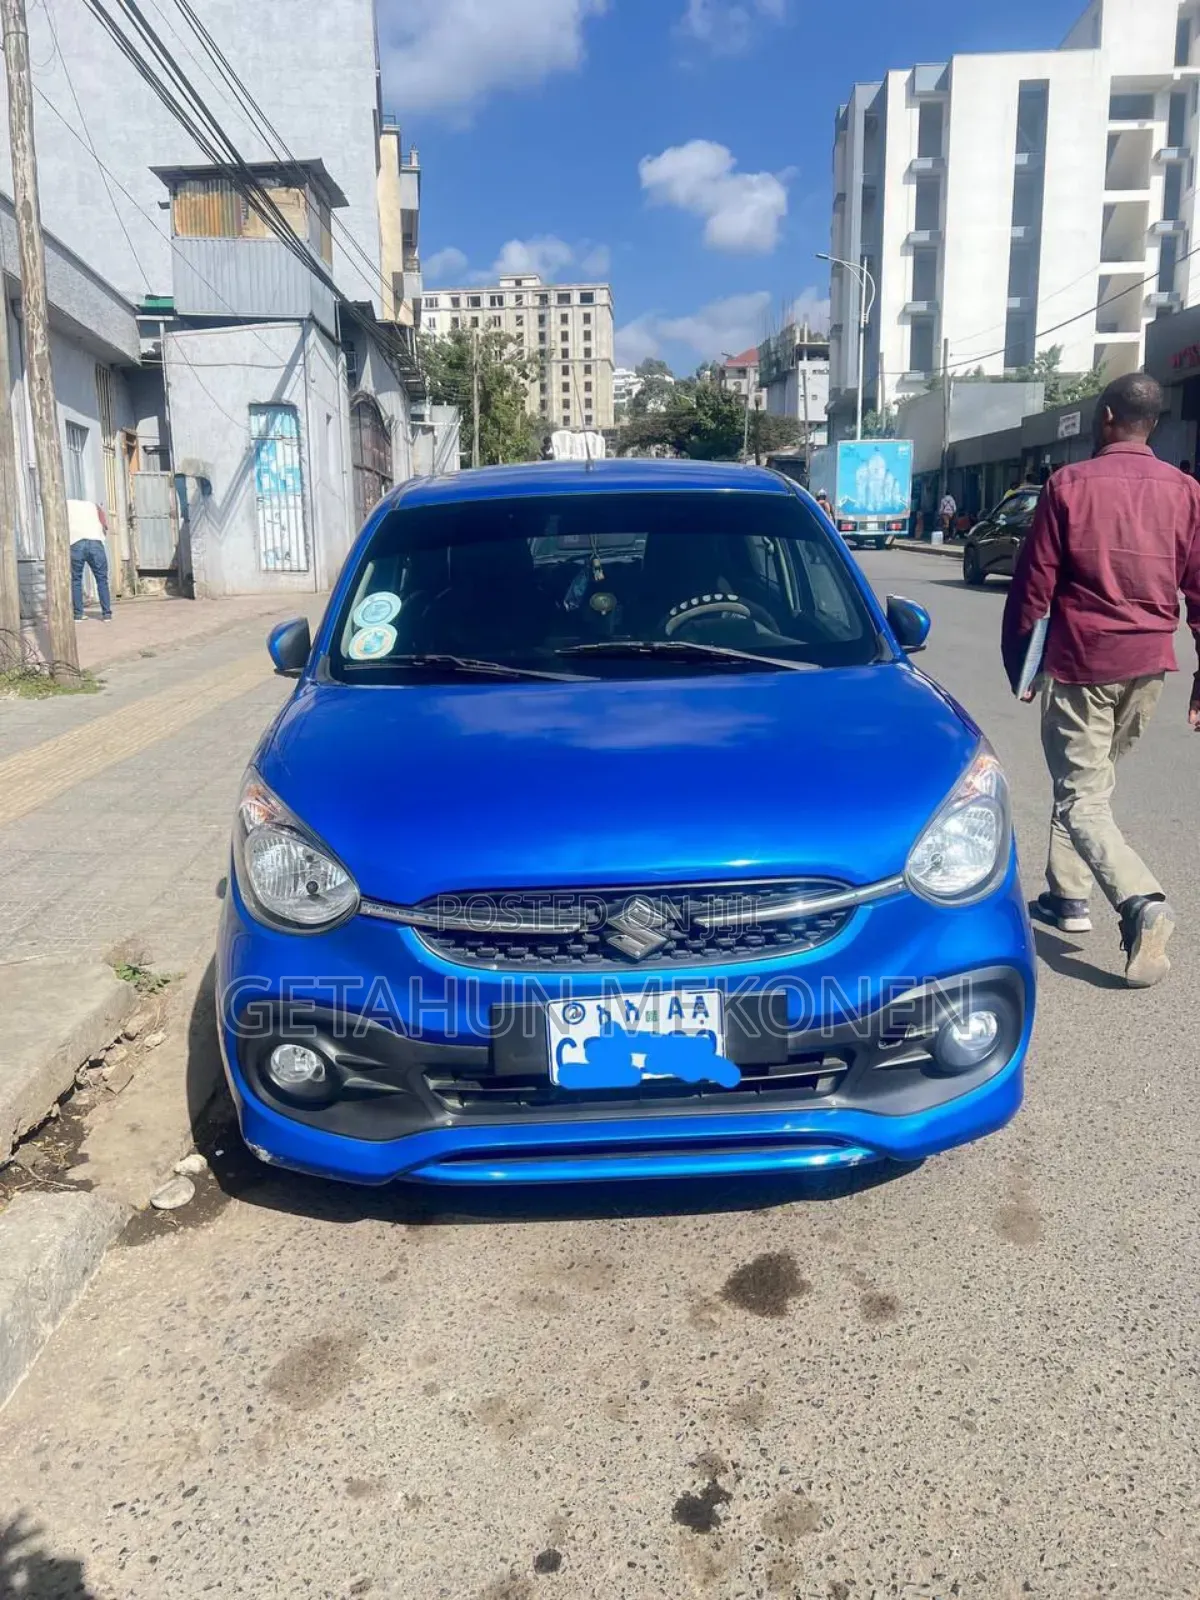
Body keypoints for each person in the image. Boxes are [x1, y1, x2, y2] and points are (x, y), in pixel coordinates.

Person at [1002, 372, 1200, 988]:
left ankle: (1142, 903)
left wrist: (1022, 666)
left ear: (1109, 415)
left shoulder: (1068, 485)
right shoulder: (1187, 491)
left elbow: (1033, 588)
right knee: (1085, 779)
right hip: (1148, 667)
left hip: (1085, 660)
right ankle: (1067, 896)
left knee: (1083, 792)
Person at [68, 500, 112, 622]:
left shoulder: (64, 505)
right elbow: (104, 526)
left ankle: (78, 615)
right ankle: (106, 614)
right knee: (102, 579)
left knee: (76, 579)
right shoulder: (95, 506)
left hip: (76, 542)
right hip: (95, 542)